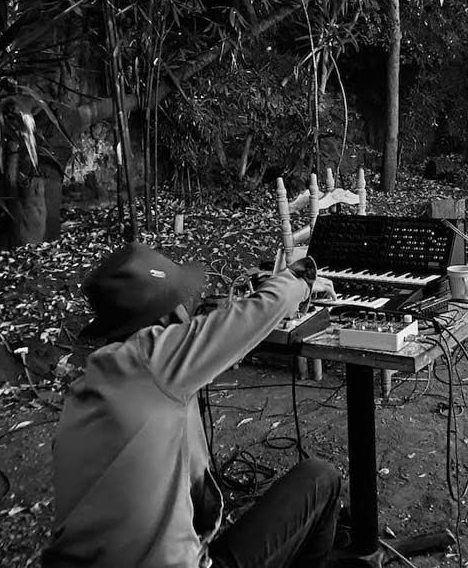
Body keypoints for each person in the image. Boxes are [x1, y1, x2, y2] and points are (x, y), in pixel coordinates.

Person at [42, 242, 341, 568]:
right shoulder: (154, 357)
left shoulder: (87, 388)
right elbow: (261, 310)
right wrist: (301, 277)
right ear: (167, 316)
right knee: (320, 479)